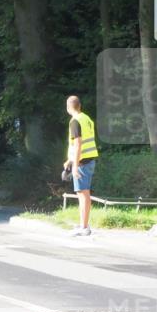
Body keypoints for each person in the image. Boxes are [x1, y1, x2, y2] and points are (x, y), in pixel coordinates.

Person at [62, 95, 98, 236]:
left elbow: (78, 144)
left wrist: (75, 165)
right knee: (83, 193)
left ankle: (84, 227)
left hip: (82, 162)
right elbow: (81, 144)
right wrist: (70, 160)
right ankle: (83, 224)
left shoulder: (75, 121)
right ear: (80, 106)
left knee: (83, 194)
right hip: (88, 159)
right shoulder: (86, 118)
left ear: (68, 107)